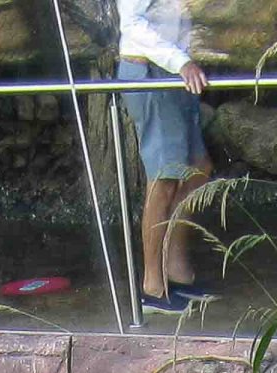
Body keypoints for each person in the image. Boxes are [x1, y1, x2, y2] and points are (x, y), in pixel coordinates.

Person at [114, 0, 215, 316]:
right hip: (148, 69)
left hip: (176, 70)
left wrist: (187, 56)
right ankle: (152, 287)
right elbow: (132, 23)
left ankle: (177, 271)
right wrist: (180, 61)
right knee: (166, 175)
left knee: (199, 169)